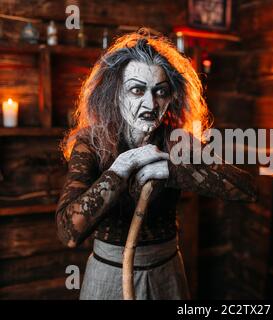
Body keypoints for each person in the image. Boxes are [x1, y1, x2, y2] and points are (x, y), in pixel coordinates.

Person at [56, 28, 257, 300]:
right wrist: (119, 170)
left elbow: (246, 188)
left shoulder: (176, 141)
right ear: (115, 93)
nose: (150, 103)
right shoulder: (92, 142)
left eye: (160, 92)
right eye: (137, 90)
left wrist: (172, 171)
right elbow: (69, 232)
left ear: (171, 97)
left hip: (166, 273)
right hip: (109, 275)